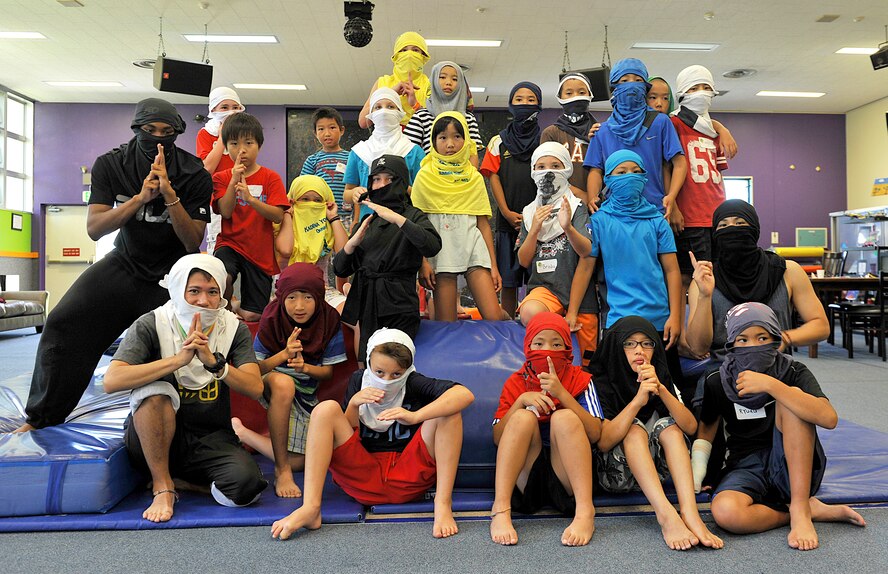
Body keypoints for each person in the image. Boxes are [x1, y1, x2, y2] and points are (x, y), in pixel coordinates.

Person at [13, 98, 212, 433]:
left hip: (172, 272)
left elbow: (192, 241)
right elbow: (95, 228)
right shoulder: (112, 164)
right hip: (125, 262)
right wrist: (139, 199)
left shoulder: (194, 173)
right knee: (63, 324)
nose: (157, 138)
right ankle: (42, 417)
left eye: (166, 132)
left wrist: (169, 194)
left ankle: (184, 427)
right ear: (137, 129)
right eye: (149, 131)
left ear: (176, 133)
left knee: (175, 347)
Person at [103, 254, 267, 522]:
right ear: (179, 290)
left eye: (212, 292)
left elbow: (255, 387)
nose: (203, 300)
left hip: (210, 438)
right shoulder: (152, 323)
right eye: (194, 291)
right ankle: (162, 484)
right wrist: (178, 361)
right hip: (153, 437)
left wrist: (216, 364)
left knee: (248, 488)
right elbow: (112, 380)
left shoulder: (232, 328)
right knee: (155, 392)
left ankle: (186, 484)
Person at [270, 328, 474, 540]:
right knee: (326, 409)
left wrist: (416, 416)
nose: (387, 380)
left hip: (407, 476)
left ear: (406, 370)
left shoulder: (413, 381)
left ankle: (442, 504)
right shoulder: (358, 380)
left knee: (449, 413)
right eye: (379, 373)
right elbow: (347, 437)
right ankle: (311, 507)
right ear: (369, 363)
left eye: (396, 374)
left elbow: (464, 394)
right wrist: (354, 404)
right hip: (362, 476)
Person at [696, 302, 866, 550]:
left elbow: (829, 419)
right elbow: (706, 432)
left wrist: (772, 386)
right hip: (745, 465)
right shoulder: (716, 381)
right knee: (725, 513)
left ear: (775, 339)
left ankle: (799, 507)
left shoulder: (793, 370)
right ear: (731, 345)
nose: (753, 346)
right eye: (742, 340)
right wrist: (700, 475)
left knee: (792, 399)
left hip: (792, 464)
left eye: (762, 337)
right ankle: (805, 510)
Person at [589, 316, 723, 550]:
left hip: (656, 474)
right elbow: (603, 442)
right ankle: (666, 515)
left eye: (647, 343)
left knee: (670, 428)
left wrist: (661, 390)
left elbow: (691, 427)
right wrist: (637, 402)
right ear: (617, 348)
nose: (639, 350)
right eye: (630, 344)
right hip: (615, 474)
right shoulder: (601, 380)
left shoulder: (659, 375)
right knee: (633, 429)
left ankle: (690, 513)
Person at [575, 150, 685, 394]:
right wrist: (572, 311)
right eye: (621, 172)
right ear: (609, 180)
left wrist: (676, 316)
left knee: (665, 389)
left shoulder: (657, 220)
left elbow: (672, 271)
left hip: (659, 320)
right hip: (619, 321)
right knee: (622, 390)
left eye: (636, 172)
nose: (629, 177)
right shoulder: (600, 220)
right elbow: (585, 267)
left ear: (645, 178)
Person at [489, 312, 603, 546]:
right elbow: (498, 438)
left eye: (556, 344)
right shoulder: (516, 382)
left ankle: (585, 511)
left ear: (567, 349)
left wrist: (563, 394)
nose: (548, 350)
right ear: (528, 347)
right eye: (539, 343)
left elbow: (595, 434)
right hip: (527, 480)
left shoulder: (581, 379)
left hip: (566, 480)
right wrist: (521, 400)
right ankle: (501, 509)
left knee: (564, 418)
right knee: (521, 418)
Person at [233, 263, 346, 498]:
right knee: (285, 384)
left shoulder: (329, 318)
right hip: (272, 382)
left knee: (304, 460)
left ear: (319, 296)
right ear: (281, 296)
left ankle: (244, 434)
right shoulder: (272, 316)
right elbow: (255, 369)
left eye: (307, 297)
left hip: (306, 391)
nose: (299, 306)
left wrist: (305, 367)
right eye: (292, 297)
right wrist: (284, 356)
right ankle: (281, 470)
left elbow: (328, 373)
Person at [682, 199, 830, 362]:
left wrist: (785, 338)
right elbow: (697, 347)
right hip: (724, 372)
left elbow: (821, 326)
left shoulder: (788, 271)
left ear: (754, 229)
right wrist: (705, 295)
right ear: (715, 234)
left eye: (740, 223)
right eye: (723, 226)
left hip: (777, 369)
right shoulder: (705, 279)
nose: (732, 229)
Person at [334, 155, 441, 362]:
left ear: (401, 181)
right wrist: (352, 243)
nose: (382, 185)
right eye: (376, 179)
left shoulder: (413, 215)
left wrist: (396, 218)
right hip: (368, 301)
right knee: (366, 365)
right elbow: (340, 269)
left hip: (398, 303)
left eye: (389, 179)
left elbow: (432, 245)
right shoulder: (367, 220)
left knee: (394, 365)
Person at [413, 112, 503, 322]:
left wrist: (494, 266)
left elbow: (484, 225)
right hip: (441, 251)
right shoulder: (424, 176)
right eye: (443, 137)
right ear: (433, 141)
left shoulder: (474, 177)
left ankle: (521, 334)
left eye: (457, 137)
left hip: (474, 246)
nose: (450, 144)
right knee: (446, 323)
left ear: (466, 140)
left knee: (494, 316)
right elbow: (417, 225)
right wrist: (422, 262)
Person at [583, 58, 687, 233]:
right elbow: (595, 170)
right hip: (614, 213)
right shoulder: (602, 131)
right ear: (614, 88)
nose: (631, 85)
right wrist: (592, 198)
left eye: (638, 80)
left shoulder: (660, 122)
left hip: (654, 211)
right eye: (624, 81)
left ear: (645, 87)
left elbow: (679, 163)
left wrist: (671, 197)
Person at [516, 142, 598, 364]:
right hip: (545, 291)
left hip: (579, 297)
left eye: (555, 165)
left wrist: (568, 227)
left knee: (586, 363)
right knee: (529, 311)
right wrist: (533, 229)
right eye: (541, 166)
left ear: (567, 170)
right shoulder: (529, 212)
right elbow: (523, 260)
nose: (548, 172)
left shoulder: (577, 207)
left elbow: (586, 251)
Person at [211, 113, 289, 322]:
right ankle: (224, 314)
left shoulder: (271, 177)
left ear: (259, 146)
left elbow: (278, 216)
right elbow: (225, 211)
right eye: (234, 143)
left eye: (248, 142)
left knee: (254, 315)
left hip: (259, 251)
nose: (241, 149)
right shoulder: (220, 177)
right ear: (226, 147)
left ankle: (236, 305)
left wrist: (251, 200)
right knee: (222, 277)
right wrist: (233, 180)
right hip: (230, 244)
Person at [480, 82, 542, 317]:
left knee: (537, 280)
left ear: (538, 104)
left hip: (538, 222)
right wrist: (505, 211)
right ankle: (506, 333)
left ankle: (532, 326)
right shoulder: (498, 141)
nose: (524, 104)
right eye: (519, 99)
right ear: (510, 104)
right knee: (509, 280)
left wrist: (535, 216)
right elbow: (492, 177)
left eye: (530, 99)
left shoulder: (545, 138)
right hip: (507, 222)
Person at [669, 65, 730, 292]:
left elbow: (719, 175)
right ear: (682, 93)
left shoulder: (713, 130)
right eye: (695, 88)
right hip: (691, 218)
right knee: (691, 277)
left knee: (719, 278)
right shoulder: (673, 124)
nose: (702, 93)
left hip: (717, 217)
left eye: (707, 87)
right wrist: (673, 204)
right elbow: (668, 169)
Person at [344, 88, 425, 227]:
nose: (384, 111)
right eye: (378, 107)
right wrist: (354, 194)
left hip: (405, 224)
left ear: (399, 112)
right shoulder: (359, 152)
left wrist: (401, 188)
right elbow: (347, 193)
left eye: (390, 107)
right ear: (371, 115)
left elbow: (424, 194)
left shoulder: (414, 151)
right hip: (368, 223)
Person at [274, 175, 349, 312]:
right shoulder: (281, 222)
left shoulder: (327, 224)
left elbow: (345, 252)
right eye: (305, 199)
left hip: (321, 289)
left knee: (348, 310)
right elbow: (285, 250)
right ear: (294, 200)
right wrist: (287, 215)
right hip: (286, 290)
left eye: (318, 200)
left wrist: (333, 217)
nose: (311, 204)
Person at [404, 60, 483, 165]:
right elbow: (408, 153)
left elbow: (474, 153)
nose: (448, 82)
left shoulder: (468, 118)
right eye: (442, 77)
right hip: (429, 178)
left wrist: (470, 178)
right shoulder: (421, 116)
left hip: (463, 178)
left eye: (455, 79)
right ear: (434, 81)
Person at [196, 87, 245, 254]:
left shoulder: (245, 134)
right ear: (213, 110)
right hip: (217, 199)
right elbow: (207, 168)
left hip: (244, 196)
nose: (231, 112)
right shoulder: (205, 134)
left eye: (235, 107)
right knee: (219, 247)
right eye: (224, 107)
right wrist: (223, 136)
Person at [539, 72, 600, 201]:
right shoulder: (551, 133)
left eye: (582, 92)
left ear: (590, 95)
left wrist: (593, 196)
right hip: (560, 202)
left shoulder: (599, 131)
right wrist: (581, 195)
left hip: (596, 202)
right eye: (569, 93)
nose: (575, 97)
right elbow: (547, 173)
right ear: (559, 97)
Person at [357, 31, 431, 129]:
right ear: (396, 57)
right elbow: (363, 122)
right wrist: (389, 93)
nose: (409, 54)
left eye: (415, 50)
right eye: (403, 50)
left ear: (423, 56)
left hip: (419, 140)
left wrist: (415, 104)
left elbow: (434, 123)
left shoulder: (430, 85)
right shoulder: (382, 82)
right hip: (387, 140)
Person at [300, 107, 352, 233]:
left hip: (346, 216)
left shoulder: (352, 157)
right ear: (315, 133)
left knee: (345, 250)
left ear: (342, 130)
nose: (327, 133)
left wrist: (356, 219)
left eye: (332, 127)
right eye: (321, 129)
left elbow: (357, 188)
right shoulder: (312, 160)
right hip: (319, 216)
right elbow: (302, 189)